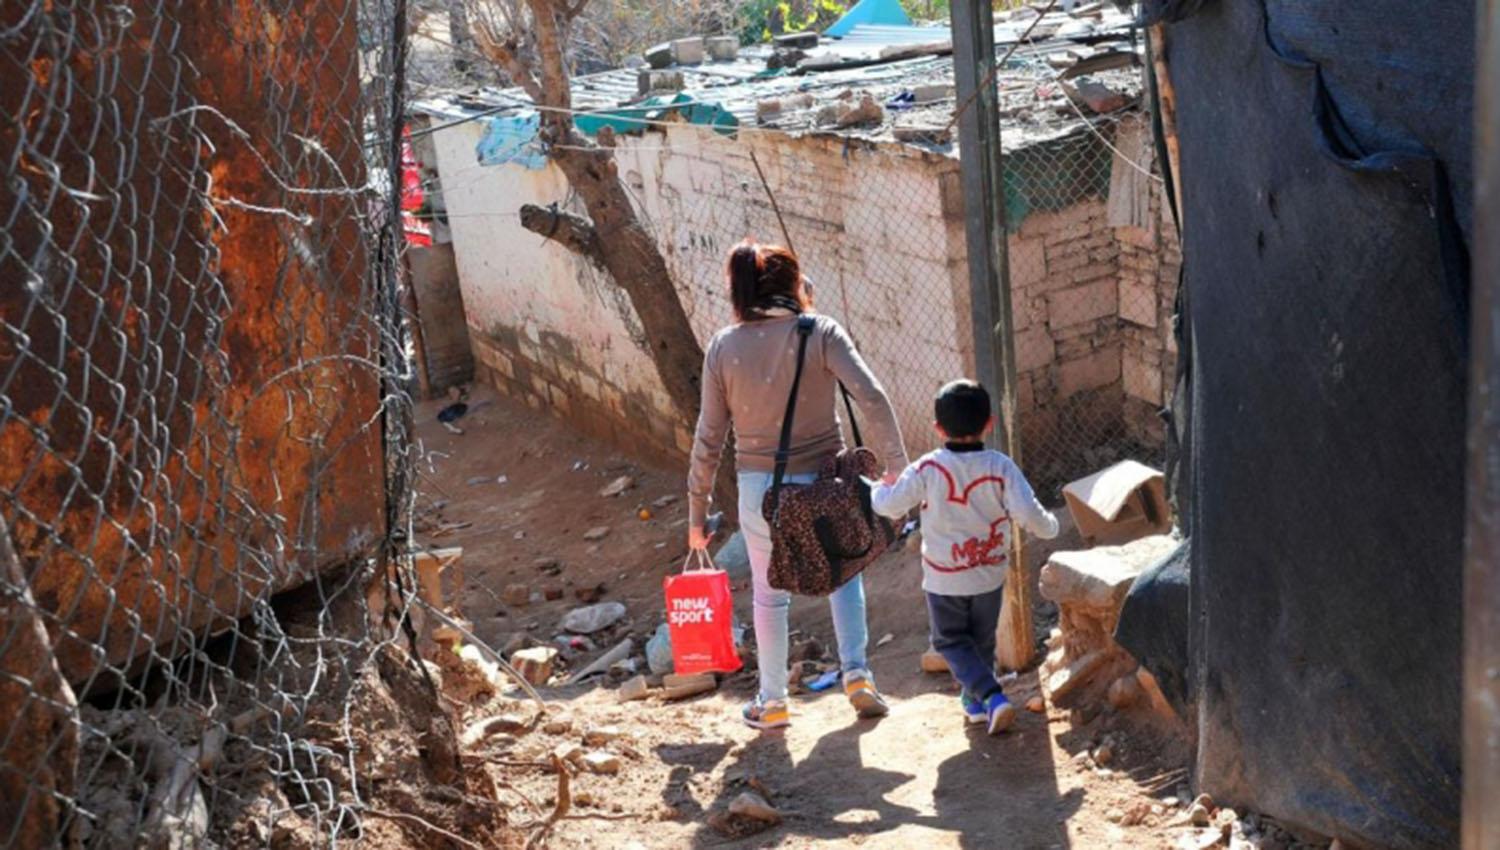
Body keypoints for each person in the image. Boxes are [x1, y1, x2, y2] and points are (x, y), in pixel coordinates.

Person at [687, 240, 908, 730]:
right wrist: (898, 467)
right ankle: (857, 674)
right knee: (844, 575)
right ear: (793, 284)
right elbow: (872, 396)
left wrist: (696, 513)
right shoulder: (820, 331)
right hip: (829, 483)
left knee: (769, 596)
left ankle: (772, 702)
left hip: (762, 494)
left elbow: (708, 438)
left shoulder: (723, 347)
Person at [869, 379, 1059, 735]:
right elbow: (1028, 513)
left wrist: (877, 489)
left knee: (949, 641)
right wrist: (1050, 527)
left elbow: (890, 505)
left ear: (938, 428)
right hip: (989, 574)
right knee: (981, 640)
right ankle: (975, 705)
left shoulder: (928, 468)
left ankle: (991, 695)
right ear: (989, 423)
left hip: (945, 578)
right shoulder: (1001, 466)